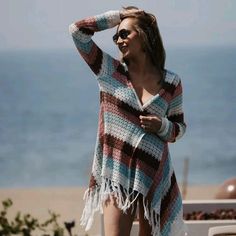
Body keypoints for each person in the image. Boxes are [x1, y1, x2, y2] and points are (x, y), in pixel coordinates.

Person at [69, 6, 187, 236]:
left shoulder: (171, 82)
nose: (118, 40)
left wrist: (161, 126)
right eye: (116, 36)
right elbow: (77, 31)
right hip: (117, 176)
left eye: (125, 34)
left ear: (144, 36)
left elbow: (179, 129)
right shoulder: (108, 71)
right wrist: (118, 17)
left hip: (153, 175)